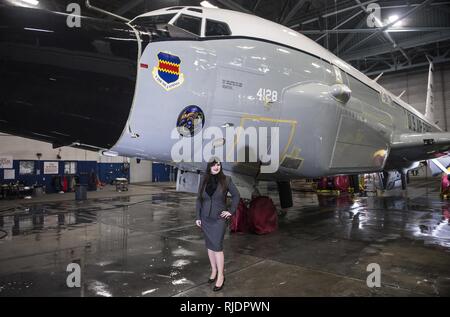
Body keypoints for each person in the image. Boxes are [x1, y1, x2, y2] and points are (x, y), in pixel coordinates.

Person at [195, 158, 240, 292]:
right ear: (209, 166)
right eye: (214, 165)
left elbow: (236, 196)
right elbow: (199, 199)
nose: (216, 167)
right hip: (205, 219)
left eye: (218, 165)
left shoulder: (227, 180)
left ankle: (221, 275)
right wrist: (198, 216)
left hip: (219, 219)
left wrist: (231, 211)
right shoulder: (204, 179)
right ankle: (213, 271)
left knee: (217, 247)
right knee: (210, 246)